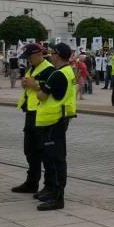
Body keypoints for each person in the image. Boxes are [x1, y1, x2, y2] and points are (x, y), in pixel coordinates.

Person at [34, 43, 77, 211]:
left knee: (56, 159)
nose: (50, 55)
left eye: (52, 53)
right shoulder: (68, 71)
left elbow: (42, 95)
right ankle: (53, 191)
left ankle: (58, 198)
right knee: (55, 158)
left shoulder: (57, 75)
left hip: (53, 120)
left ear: (57, 55)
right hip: (62, 117)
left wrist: (37, 88)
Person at [11, 43, 54, 195]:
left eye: (30, 57)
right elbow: (31, 86)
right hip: (31, 112)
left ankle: (47, 185)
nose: (28, 60)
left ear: (38, 54)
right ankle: (31, 182)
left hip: (41, 114)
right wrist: (26, 84)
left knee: (42, 151)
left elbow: (50, 90)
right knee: (29, 150)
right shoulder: (33, 68)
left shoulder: (49, 70)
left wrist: (34, 85)